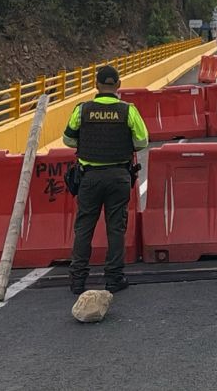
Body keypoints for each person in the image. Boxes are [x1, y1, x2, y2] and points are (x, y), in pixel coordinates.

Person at [63, 65, 148, 294]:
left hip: (89, 177)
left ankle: (78, 280)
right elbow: (142, 142)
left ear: (96, 85)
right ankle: (114, 278)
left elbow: (68, 140)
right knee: (116, 228)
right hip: (119, 176)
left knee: (84, 227)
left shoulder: (82, 110)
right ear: (118, 85)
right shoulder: (128, 110)